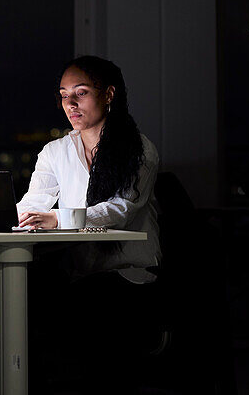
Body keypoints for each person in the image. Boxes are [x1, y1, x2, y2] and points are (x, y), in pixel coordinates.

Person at [16, 54, 161, 284]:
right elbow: (33, 202)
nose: (70, 104)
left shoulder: (140, 149)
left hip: (130, 272)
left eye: (81, 93)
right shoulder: (55, 152)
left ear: (108, 95)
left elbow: (119, 210)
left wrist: (57, 219)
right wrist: (1, 216)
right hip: (80, 273)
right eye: (64, 95)